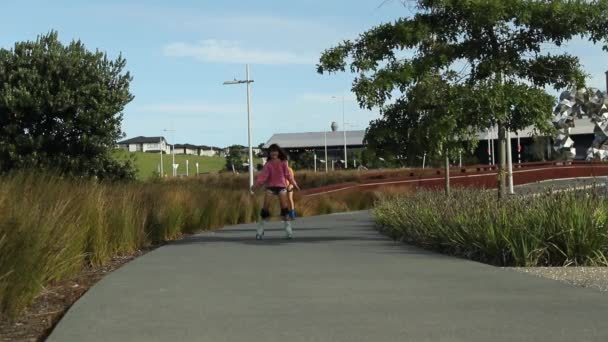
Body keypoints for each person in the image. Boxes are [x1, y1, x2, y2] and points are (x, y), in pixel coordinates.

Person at [251, 144, 300, 240]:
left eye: (275, 151)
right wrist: (255, 185)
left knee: (284, 209)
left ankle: (288, 229)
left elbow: (288, 175)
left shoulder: (283, 162)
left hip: (281, 187)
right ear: (269, 153)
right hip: (270, 187)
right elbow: (263, 177)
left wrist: (294, 184)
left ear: (278, 152)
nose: (274, 153)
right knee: (265, 209)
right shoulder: (268, 164)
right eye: (272, 151)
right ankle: (260, 230)